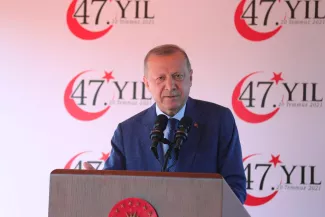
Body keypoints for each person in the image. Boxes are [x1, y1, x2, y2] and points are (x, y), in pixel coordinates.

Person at [84, 44, 247, 204]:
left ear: (190, 78)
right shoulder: (127, 132)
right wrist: (99, 188)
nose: (170, 86)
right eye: (161, 78)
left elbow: (235, 188)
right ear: (147, 83)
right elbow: (113, 191)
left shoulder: (219, 120)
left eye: (177, 76)